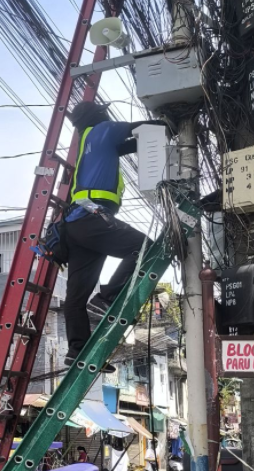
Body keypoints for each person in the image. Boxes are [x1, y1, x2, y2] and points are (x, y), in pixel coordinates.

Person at [62, 102, 164, 371]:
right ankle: (106, 298)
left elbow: (126, 146)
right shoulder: (102, 130)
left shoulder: (90, 142)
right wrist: (170, 123)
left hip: (77, 223)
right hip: (92, 216)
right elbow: (138, 128)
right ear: (98, 115)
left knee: (76, 296)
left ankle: (77, 351)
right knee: (144, 248)